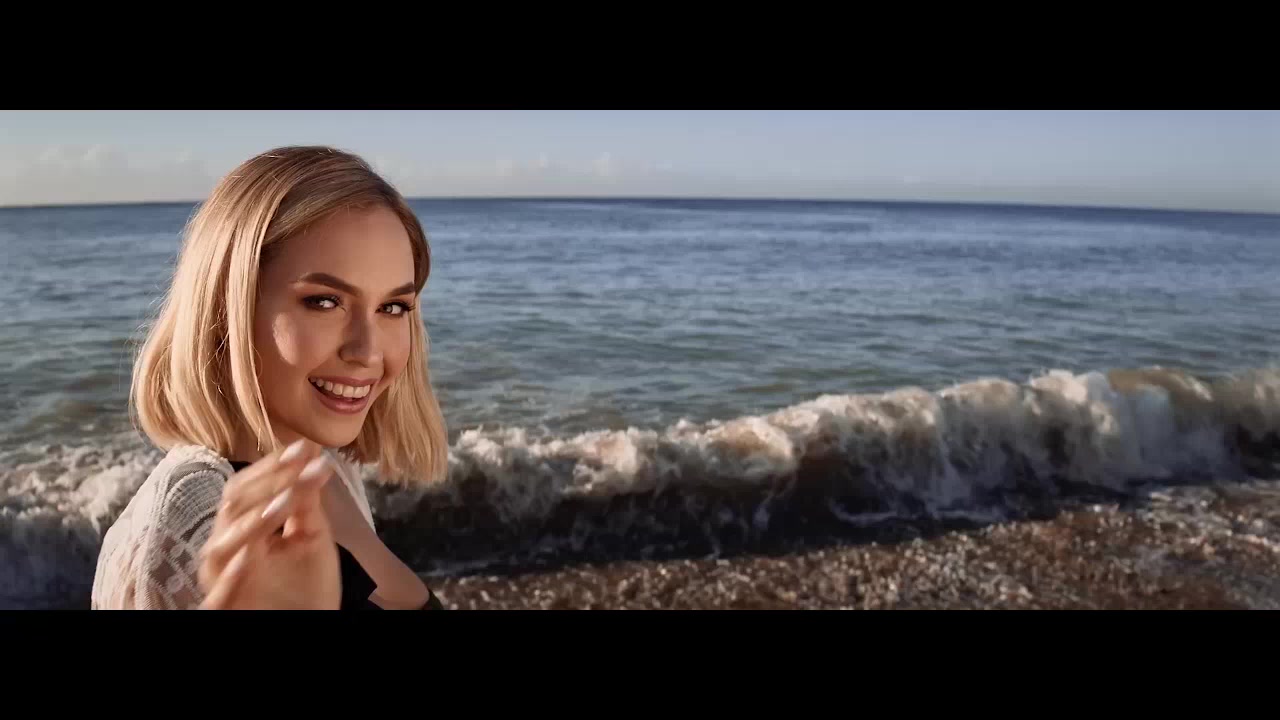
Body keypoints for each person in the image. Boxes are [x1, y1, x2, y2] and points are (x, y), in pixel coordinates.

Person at [90, 146, 450, 610]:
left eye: (393, 307)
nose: (368, 351)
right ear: (229, 306)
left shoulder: (323, 469)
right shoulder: (191, 522)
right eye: (324, 302)